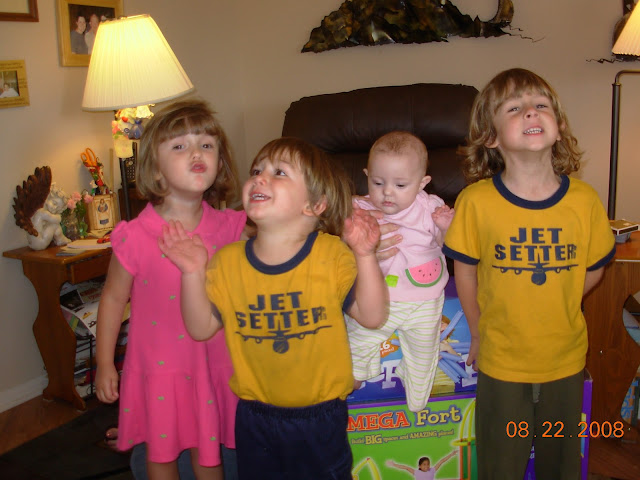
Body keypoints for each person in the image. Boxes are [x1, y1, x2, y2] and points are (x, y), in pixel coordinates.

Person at [159, 136, 389, 479]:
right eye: (257, 171)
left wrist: (365, 255)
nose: (260, 178)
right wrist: (192, 272)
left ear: (314, 205)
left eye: (279, 172)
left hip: (320, 416)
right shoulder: (227, 263)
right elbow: (200, 327)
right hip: (255, 416)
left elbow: (372, 316)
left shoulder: (331, 254)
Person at [442, 68, 616, 480]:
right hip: (501, 360)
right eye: (514, 108)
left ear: (558, 127)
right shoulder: (476, 202)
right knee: (501, 463)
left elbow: (594, 268)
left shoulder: (584, 200)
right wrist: (478, 331)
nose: (531, 112)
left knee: (561, 463)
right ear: (491, 137)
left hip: (565, 358)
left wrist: (562, 297)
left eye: (541, 105)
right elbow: (465, 272)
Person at [96, 99, 247, 480]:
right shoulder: (134, 236)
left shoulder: (232, 227)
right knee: (160, 454)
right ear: (155, 170)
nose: (196, 153)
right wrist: (104, 363)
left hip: (214, 363)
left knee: (209, 453)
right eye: (180, 146)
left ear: (219, 162)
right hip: (159, 368)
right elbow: (112, 299)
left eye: (206, 145)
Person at [345, 131, 454, 412]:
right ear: (367, 175)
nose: (387, 192)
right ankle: (362, 373)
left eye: (401, 184)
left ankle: (416, 398)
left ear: (422, 183)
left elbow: (448, 246)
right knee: (354, 352)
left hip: (424, 300)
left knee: (423, 358)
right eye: (378, 182)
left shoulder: (430, 208)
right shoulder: (358, 208)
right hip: (374, 301)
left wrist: (445, 229)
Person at [386, 450, 457, 479]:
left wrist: (451, 454)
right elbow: (405, 467)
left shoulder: (432, 470)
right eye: (424, 464)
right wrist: (394, 464)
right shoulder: (416, 472)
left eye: (428, 464)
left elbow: (441, 461)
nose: (427, 466)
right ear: (419, 466)